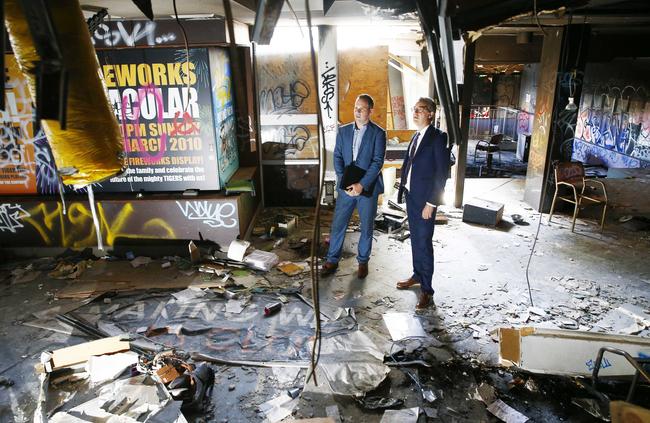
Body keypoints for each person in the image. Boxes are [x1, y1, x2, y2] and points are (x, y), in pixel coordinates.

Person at [321, 94, 386, 279]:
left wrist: (361, 185)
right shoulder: (344, 131)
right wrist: (344, 182)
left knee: (366, 226)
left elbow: (377, 162)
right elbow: (338, 157)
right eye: (355, 108)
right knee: (338, 224)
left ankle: (363, 261)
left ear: (370, 111)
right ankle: (332, 260)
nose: (357, 111)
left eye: (362, 108)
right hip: (346, 189)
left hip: (367, 188)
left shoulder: (378, 133)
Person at [396, 97, 450, 310]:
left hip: (425, 200)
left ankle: (427, 290)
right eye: (414, 109)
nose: (415, 113)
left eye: (420, 110)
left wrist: (432, 203)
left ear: (431, 114)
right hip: (412, 196)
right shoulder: (416, 136)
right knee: (415, 240)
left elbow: (441, 174)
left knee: (424, 243)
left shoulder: (438, 138)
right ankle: (417, 275)